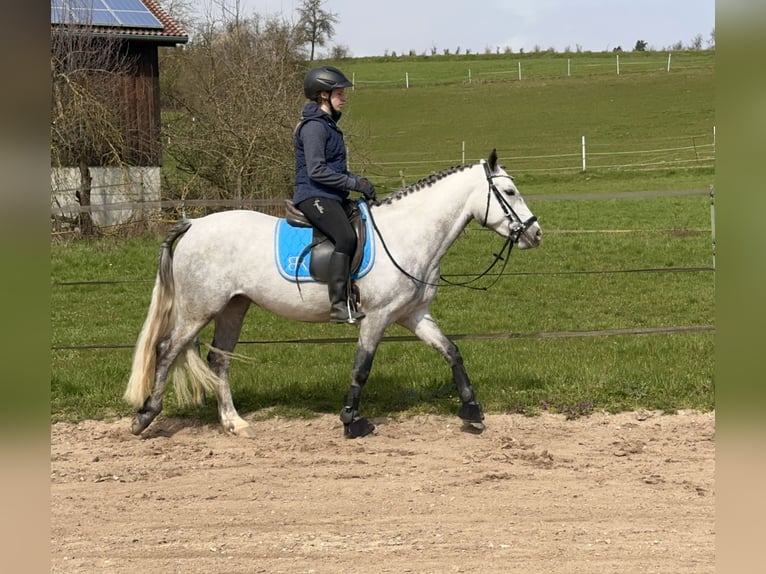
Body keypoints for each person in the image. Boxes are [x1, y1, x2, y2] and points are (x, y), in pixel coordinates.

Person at [293, 65, 377, 323]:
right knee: (345, 237)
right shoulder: (314, 128)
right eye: (339, 93)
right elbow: (316, 171)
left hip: (330, 195)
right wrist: (353, 182)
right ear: (323, 95)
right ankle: (339, 305)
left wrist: (358, 183)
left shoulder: (329, 126)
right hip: (313, 195)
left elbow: (335, 167)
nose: (344, 97)